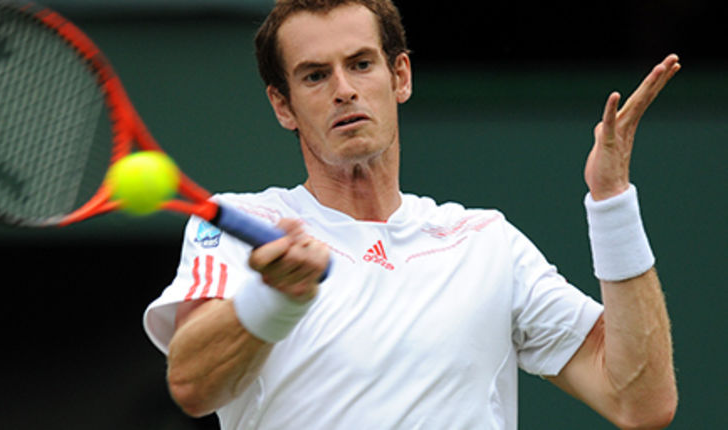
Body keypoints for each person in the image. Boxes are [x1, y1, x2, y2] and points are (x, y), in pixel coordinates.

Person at [143, 0, 680, 428]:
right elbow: (192, 385)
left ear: (400, 75)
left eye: (360, 64)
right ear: (283, 105)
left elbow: (641, 401)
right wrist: (273, 297)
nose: (344, 89)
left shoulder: (485, 241)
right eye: (314, 76)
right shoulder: (247, 224)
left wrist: (612, 201)